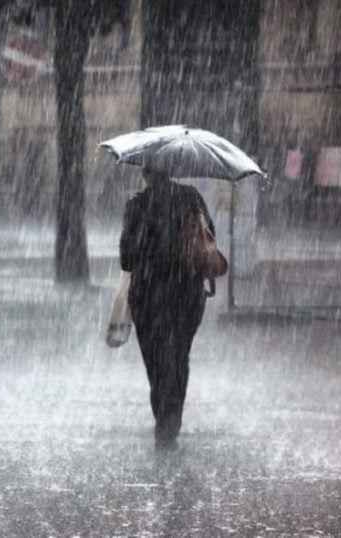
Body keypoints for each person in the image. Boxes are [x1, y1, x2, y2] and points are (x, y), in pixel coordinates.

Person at [119, 167, 214, 449]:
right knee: (179, 355)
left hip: (149, 296)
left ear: (145, 173)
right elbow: (210, 239)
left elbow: (126, 260)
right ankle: (172, 419)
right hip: (188, 293)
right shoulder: (191, 198)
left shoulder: (137, 206)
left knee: (157, 362)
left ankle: (164, 417)